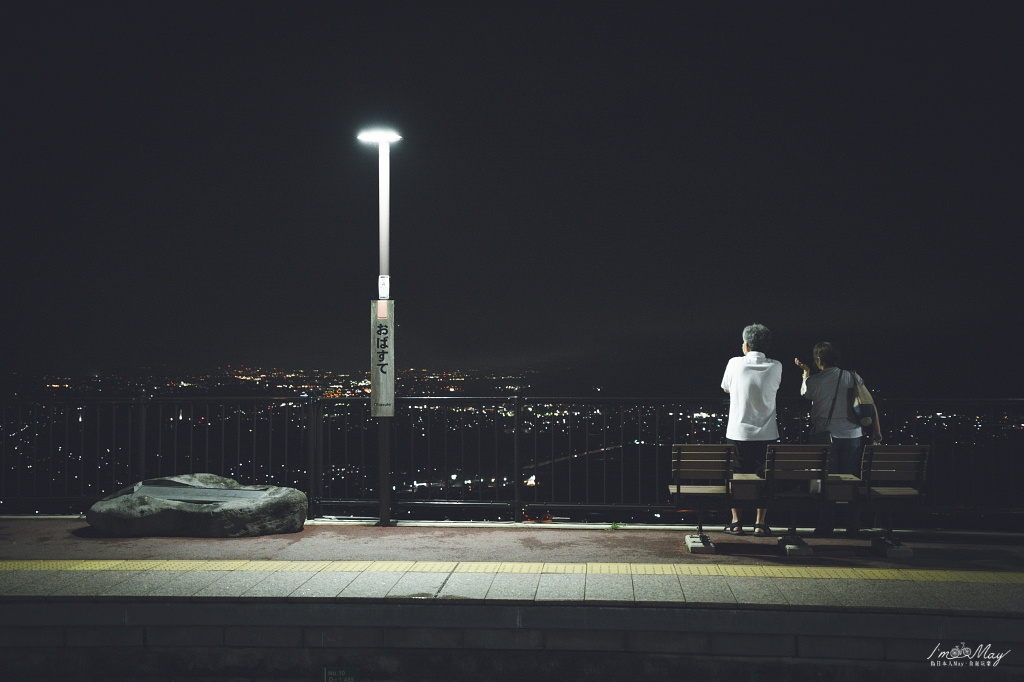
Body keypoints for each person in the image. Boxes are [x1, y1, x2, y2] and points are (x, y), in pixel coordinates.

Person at [794, 342, 883, 537]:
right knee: (850, 482)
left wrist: (805, 373)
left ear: (819, 360)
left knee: (827, 482)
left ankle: (826, 525)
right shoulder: (852, 377)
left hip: (826, 438)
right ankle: (853, 524)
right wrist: (876, 429)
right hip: (852, 435)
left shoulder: (815, 381)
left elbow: (804, 394)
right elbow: (868, 402)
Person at [721, 324, 782, 537]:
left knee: (735, 475)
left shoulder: (735, 363)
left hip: (738, 431)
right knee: (765, 477)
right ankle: (760, 523)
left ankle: (736, 522)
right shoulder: (776, 366)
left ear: (745, 345)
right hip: (767, 433)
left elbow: (726, 387)